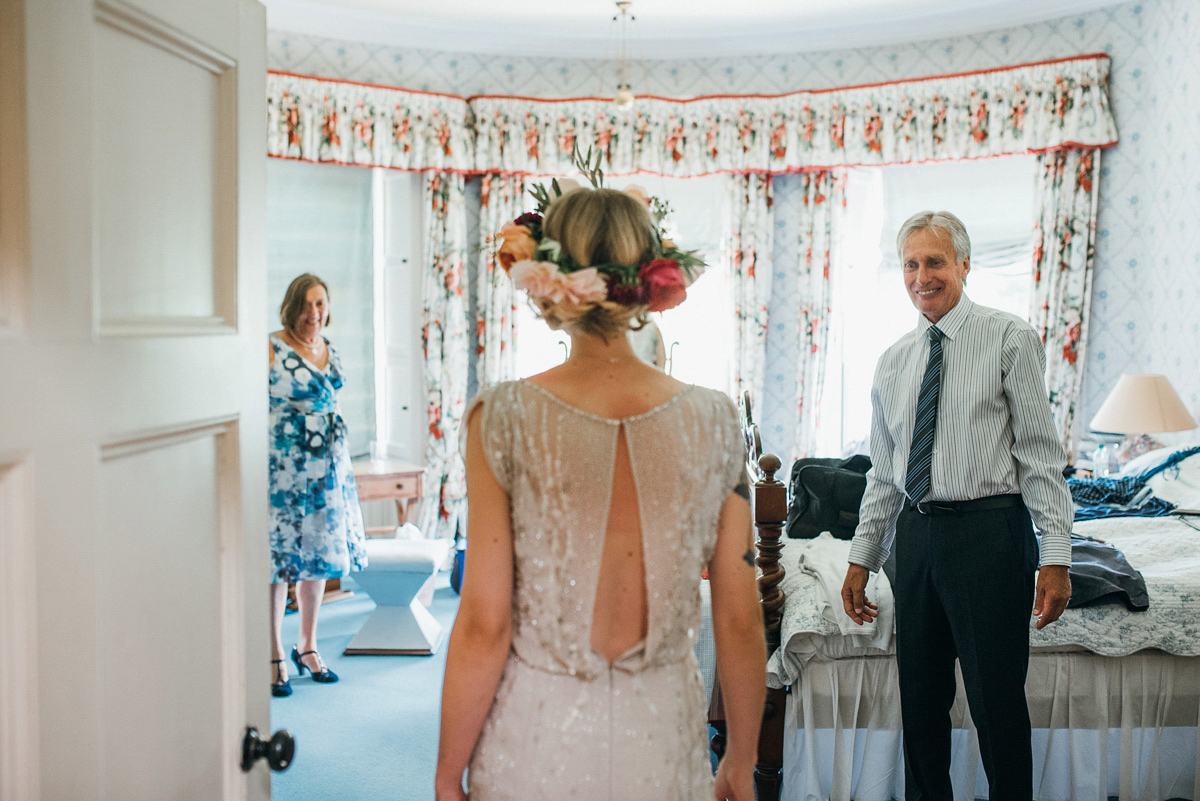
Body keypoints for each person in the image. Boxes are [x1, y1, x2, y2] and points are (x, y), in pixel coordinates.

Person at [436, 186, 766, 800]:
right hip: (661, 733)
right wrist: (741, 759)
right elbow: (740, 616)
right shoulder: (715, 419)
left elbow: (484, 621)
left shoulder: (501, 416)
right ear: (649, 274)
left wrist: (446, 774)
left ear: (548, 273)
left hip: (538, 735)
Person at [840, 211, 1073, 800]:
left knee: (996, 701)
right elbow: (885, 476)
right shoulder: (893, 361)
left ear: (965, 265)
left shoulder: (1010, 337)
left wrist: (1057, 554)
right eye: (911, 264)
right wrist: (862, 557)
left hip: (990, 535)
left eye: (935, 261)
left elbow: (1040, 457)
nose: (923, 276)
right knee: (919, 701)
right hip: (916, 542)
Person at [268, 273, 367, 697]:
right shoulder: (269, 347)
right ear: (292, 307)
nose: (315, 313)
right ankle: (272, 652)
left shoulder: (331, 349)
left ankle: (306, 646)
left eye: (321, 304)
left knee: (318, 557)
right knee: (277, 561)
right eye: (307, 305)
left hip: (327, 466)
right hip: (284, 467)